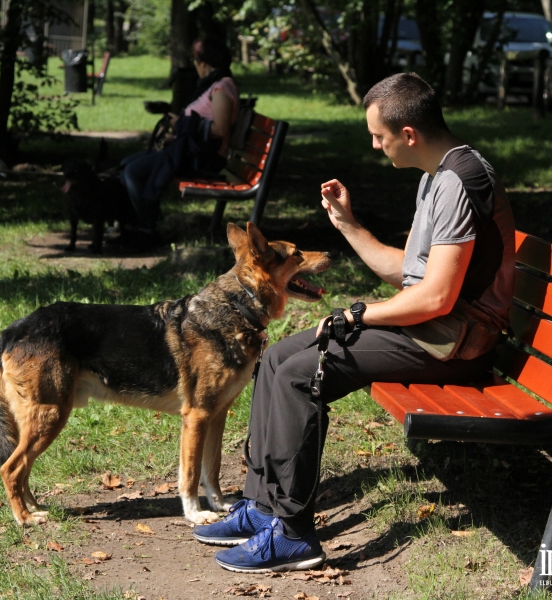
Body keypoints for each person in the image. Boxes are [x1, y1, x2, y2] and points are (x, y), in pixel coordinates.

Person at [191, 73, 517, 573]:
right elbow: (406, 271)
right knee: (277, 356)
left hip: (455, 344)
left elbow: (435, 296)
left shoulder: (461, 182)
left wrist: (358, 313)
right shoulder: (436, 177)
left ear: (408, 134)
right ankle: (262, 507)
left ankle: (295, 534)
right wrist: (346, 223)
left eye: (378, 134)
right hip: (432, 328)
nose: (373, 143)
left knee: (302, 375)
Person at [117, 36, 239, 249]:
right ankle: (135, 226)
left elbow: (220, 129)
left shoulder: (222, 87)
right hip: (190, 152)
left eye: (195, 60)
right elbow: (202, 125)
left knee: (133, 172)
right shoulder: (213, 85)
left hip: (204, 160)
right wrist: (178, 127)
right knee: (126, 164)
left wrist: (184, 124)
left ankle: (147, 231)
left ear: (203, 63)